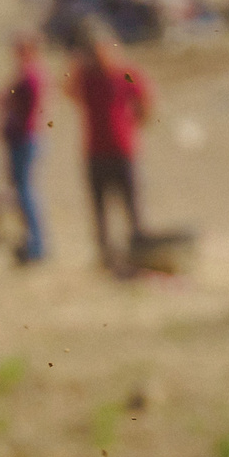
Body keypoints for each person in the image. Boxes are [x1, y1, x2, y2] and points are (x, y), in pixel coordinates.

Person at [69, 24, 150, 276]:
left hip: (122, 149)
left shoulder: (125, 73)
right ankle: (107, 257)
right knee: (100, 209)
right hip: (95, 150)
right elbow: (69, 92)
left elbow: (145, 99)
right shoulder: (87, 76)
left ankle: (139, 253)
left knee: (131, 206)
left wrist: (134, 127)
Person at [0, 32, 48, 265]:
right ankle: (32, 243)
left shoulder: (32, 75)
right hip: (19, 138)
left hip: (25, 138)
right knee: (21, 193)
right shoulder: (24, 74)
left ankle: (37, 245)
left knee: (26, 192)